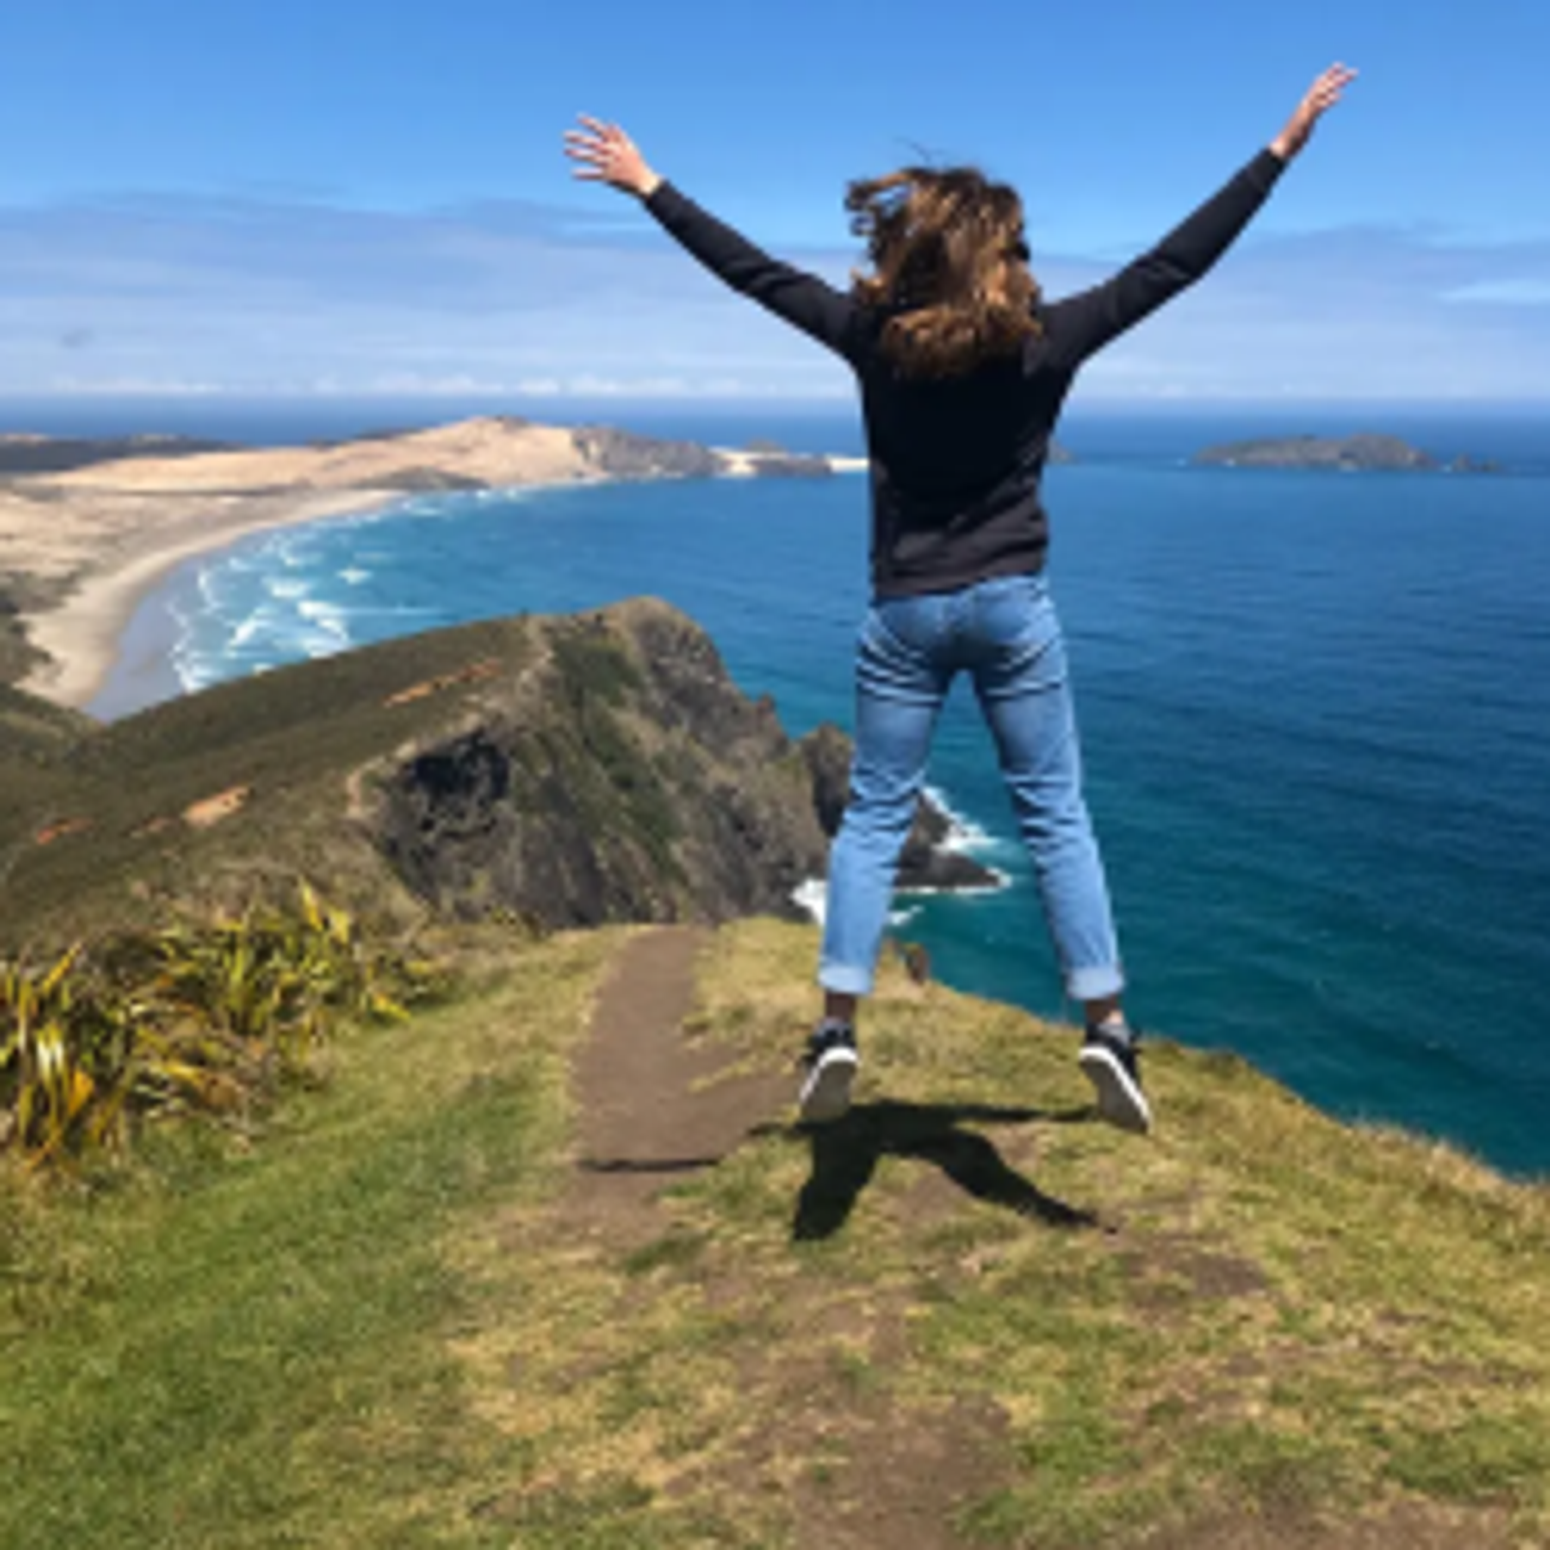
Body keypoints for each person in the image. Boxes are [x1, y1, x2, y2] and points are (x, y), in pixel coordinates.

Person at [564, 64, 1357, 1131]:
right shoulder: (1045, 346)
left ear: (912, 254)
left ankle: (837, 1025)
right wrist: (1276, 152)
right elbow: (1170, 265)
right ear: (998, 256)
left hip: (901, 615)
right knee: (1054, 811)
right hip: (1010, 609)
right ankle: (1105, 1028)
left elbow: (751, 274)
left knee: (872, 816)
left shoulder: (871, 344)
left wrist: (650, 185)